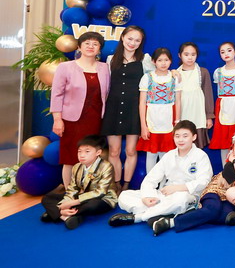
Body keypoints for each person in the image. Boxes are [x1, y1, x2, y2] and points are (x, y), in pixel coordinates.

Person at [151, 125, 235, 236]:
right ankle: (170, 222)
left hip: (230, 198)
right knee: (212, 209)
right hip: (214, 191)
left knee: (227, 217)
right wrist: (234, 161)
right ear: (233, 151)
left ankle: (192, 213)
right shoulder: (230, 165)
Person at [109, 121, 212, 227]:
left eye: (185, 136)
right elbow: (151, 178)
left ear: (194, 137)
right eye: (177, 136)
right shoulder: (169, 155)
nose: (180, 140)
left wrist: (177, 188)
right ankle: (162, 211)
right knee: (124, 196)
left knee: (181, 200)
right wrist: (147, 197)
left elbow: (204, 182)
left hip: (188, 195)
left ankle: (138, 217)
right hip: (165, 195)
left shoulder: (201, 156)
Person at [50, 31, 111, 186]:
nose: (91, 46)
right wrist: (57, 119)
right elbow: (56, 94)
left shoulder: (104, 68)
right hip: (72, 121)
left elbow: (107, 93)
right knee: (71, 157)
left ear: (99, 49)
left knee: (92, 157)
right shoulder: (65, 67)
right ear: (79, 46)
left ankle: (88, 191)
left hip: (95, 120)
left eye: (95, 44)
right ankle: (70, 191)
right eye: (87, 43)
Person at [101, 25, 153, 190]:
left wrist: (174, 73)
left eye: (137, 40)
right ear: (122, 37)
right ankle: (116, 184)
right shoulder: (111, 59)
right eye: (130, 38)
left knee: (130, 150)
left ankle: (126, 185)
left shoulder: (144, 59)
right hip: (113, 108)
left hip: (134, 109)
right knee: (114, 151)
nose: (132, 43)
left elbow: (156, 76)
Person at [40, 134, 117, 230]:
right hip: (82, 196)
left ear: (98, 152)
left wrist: (72, 203)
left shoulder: (106, 166)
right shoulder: (77, 166)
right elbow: (72, 189)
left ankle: (56, 213)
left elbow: (100, 192)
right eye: (79, 151)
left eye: (87, 151)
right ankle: (64, 216)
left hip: (103, 198)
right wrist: (64, 203)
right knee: (47, 198)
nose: (82, 155)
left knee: (92, 206)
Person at [136, 47, 181, 172]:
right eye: (160, 60)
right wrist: (143, 126)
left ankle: (164, 182)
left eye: (166, 60)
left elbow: (178, 101)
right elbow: (142, 102)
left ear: (171, 61)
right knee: (151, 153)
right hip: (152, 118)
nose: (163, 63)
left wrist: (177, 122)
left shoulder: (174, 78)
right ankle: (150, 182)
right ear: (153, 61)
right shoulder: (147, 78)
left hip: (168, 119)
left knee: (166, 154)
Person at [208, 42, 235, 164]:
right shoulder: (218, 72)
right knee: (223, 140)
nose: (226, 54)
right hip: (223, 106)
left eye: (229, 50)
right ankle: (226, 169)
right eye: (222, 52)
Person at [175, 42, 214, 148]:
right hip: (182, 114)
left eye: (193, 54)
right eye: (186, 54)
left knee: (198, 147)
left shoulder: (203, 72)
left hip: (198, 114)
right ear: (179, 55)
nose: (190, 58)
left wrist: (209, 116)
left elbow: (208, 94)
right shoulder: (175, 74)